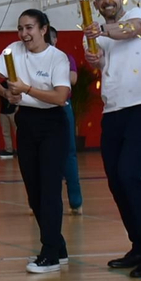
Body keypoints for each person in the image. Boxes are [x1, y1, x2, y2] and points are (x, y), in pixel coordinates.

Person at [83, 0, 141, 277]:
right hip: (114, 111)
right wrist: (94, 57)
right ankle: (140, 247)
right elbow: (98, 62)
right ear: (95, 4)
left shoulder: (140, 16)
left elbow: (129, 31)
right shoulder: (95, 35)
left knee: (131, 176)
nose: (107, 0)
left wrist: (102, 31)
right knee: (117, 182)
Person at [0, 12, 73, 273]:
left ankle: (50, 253)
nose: (24, 34)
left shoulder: (58, 58)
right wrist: (6, 94)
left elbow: (59, 97)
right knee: (34, 191)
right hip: (27, 123)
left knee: (49, 190)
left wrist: (26, 90)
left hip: (53, 125)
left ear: (44, 29)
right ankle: (58, 245)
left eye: (30, 28)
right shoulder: (13, 50)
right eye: (20, 28)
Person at [47, 27, 85, 213]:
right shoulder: (32, 58)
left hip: (62, 106)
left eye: (51, 38)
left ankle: (76, 201)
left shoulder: (64, 57)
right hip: (40, 108)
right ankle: (41, 201)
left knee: (69, 152)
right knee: (43, 157)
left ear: (56, 40)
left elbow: (73, 79)